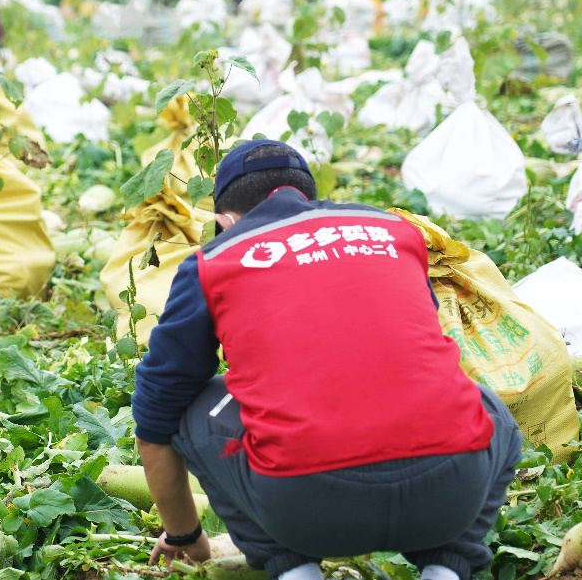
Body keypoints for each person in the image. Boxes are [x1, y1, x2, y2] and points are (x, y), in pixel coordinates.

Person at [132, 140, 523, 580]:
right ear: (309, 197)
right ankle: (448, 563)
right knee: (490, 407)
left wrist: (185, 536)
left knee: (185, 404)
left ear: (224, 222)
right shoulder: (393, 232)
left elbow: (154, 416)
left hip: (306, 511)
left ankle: (290, 566)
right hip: (451, 493)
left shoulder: (215, 259)